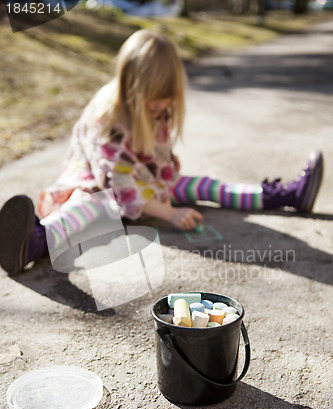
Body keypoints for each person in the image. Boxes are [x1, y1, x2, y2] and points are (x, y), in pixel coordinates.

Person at [0, 29, 324, 275]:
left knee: (205, 185)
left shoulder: (160, 108)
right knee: (89, 208)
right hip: (103, 187)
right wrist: (169, 212)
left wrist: (168, 190)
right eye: (153, 99)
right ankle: (35, 241)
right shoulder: (108, 118)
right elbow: (120, 189)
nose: (161, 106)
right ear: (130, 86)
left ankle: (285, 196)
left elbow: (161, 161)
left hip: (146, 182)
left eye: (167, 98)